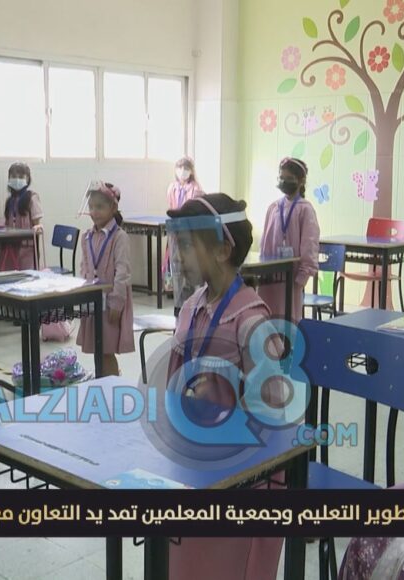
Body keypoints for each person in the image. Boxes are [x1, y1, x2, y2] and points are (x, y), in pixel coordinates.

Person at [163, 193, 284, 580]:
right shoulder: (192, 307)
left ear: (221, 250)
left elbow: (273, 409)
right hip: (194, 457)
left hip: (243, 474)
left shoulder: (250, 320)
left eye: (186, 245)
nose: (178, 256)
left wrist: (226, 402)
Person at [75, 182, 135, 376]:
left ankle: (112, 384)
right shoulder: (87, 237)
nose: (94, 212)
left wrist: (117, 302)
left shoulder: (119, 237)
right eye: (91, 207)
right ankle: (102, 380)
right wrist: (83, 293)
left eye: (100, 207)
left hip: (110, 302)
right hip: (93, 300)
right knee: (97, 348)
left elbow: (123, 271)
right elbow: (84, 266)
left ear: (113, 208)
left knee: (107, 350)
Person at [258, 157, 320, 322]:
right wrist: (262, 269)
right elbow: (265, 241)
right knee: (266, 316)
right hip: (269, 277)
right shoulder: (273, 207)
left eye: (289, 178)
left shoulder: (305, 209)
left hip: (291, 277)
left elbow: (310, 243)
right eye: (282, 178)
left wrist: (302, 276)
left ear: (301, 181)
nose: (284, 182)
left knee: (287, 319)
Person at [165, 157, 206, 315]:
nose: (182, 171)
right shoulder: (172, 188)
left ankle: (192, 303)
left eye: (186, 168)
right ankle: (178, 304)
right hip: (175, 233)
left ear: (191, 171)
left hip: (190, 233)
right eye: (180, 168)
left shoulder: (196, 189)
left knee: (191, 267)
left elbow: (198, 211)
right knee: (176, 268)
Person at [0, 162, 44, 271]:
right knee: (10, 273)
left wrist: (37, 228)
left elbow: (37, 224)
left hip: (27, 247)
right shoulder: (10, 201)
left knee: (26, 275)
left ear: (27, 179)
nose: (17, 179)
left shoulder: (31, 198)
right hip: (11, 245)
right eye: (14, 176)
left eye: (21, 177)